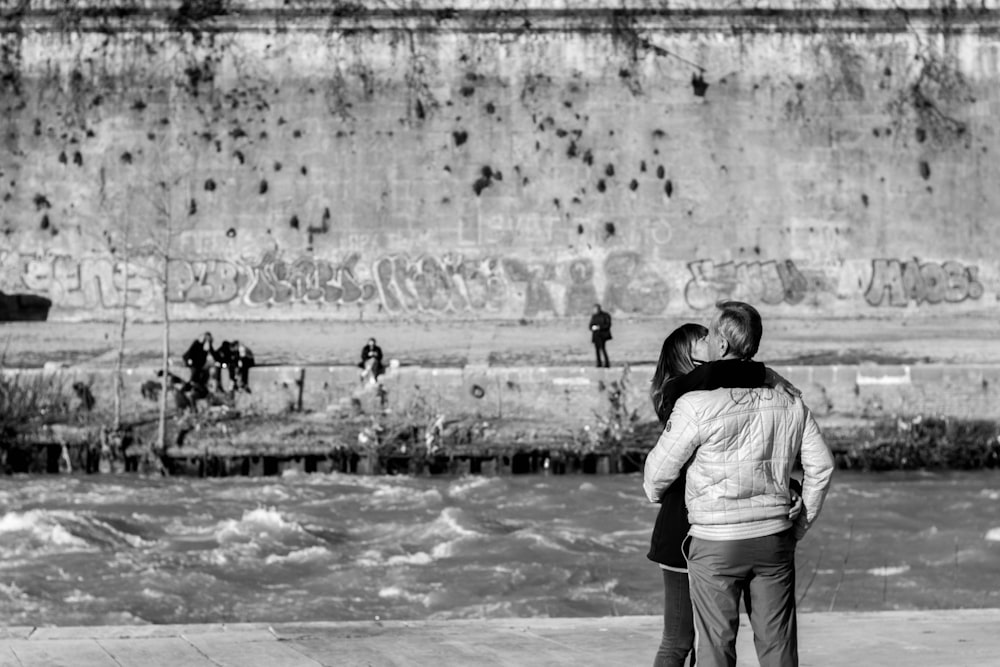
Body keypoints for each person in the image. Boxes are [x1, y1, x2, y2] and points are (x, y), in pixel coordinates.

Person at [644, 301, 834, 667]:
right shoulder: (785, 401)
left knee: (713, 650)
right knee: (775, 650)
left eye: (710, 332)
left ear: (722, 346)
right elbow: (821, 466)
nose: (708, 338)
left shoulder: (697, 405)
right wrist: (798, 521)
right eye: (702, 337)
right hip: (763, 537)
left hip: (714, 539)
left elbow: (655, 480)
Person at [589, 303, 612, 368]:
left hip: (603, 335)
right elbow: (590, 326)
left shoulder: (605, 315)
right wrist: (593, 328)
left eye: (595, 309)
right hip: (596, 335)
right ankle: (599, 363)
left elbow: (608, 325)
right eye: (594, 309)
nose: (594, 310)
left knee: (603, 349)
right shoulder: (594, 316)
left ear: (599, 309)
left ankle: (607, 363)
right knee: (597, 350)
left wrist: (599, 327)